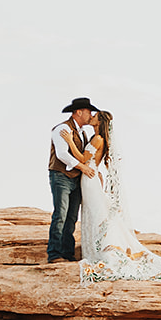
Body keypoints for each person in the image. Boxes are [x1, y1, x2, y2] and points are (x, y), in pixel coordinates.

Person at [76, 109, 161, 285]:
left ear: (100, 121)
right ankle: (96, 247)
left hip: (90, 178)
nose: (92, 117)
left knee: (95, 212)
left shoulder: (98, 139)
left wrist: (67, 142)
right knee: (94, 211)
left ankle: (102, 249)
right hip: (91, 176)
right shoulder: (97, 138)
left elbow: (82, 158)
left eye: (94, 116)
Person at [47, 97, 98, 264]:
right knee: (60, 214)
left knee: (71, 217)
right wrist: (83, 168)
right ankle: (54, 254)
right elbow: (62, 154)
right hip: (61, 176)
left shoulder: (83, 133)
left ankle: (67, 253)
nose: (91, 115)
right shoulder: (62, 128)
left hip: (76, 179)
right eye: (89, 111)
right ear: (79, 112)